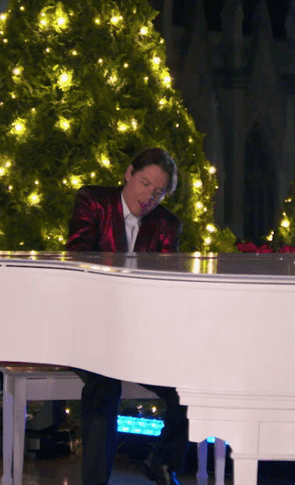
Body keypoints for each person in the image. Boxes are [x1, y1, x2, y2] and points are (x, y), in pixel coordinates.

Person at [65, 147, 188, 485]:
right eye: (144, 183)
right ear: (128, 174)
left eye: (158, 190)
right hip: (89, 324)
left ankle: (162, 462)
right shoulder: (93, 201)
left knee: (189, 386)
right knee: (104, 387)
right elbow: (78, 256)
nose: (148, 195)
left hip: (138, 334)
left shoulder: (166, 224)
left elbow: (163, 286)